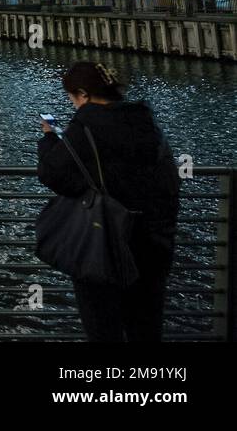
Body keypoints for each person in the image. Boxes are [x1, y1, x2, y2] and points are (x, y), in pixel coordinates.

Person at [37, 62, 179, 341]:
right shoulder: (146, 121)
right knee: (146, 327)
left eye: (72, 97)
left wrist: (49, 139)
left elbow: (53, 174)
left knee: (103, 327)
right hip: (153, 243)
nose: (74, 104)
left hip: (103, 242)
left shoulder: (86, 124)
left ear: (83, 94)